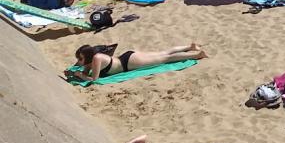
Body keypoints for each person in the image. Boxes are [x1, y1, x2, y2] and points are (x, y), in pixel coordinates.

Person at [71, 43, 206, 81]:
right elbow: (85, 70)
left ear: (88, 57)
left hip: (129, 63)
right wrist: (80, 70)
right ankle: (190, 47)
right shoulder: (91, 61)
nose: (79, 61)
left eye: (80, 58)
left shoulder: (96, 59)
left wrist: (80, 76)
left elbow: (94, 79)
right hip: (127, 57)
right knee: (163, 53)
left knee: (165, 59)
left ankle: (196, 55)